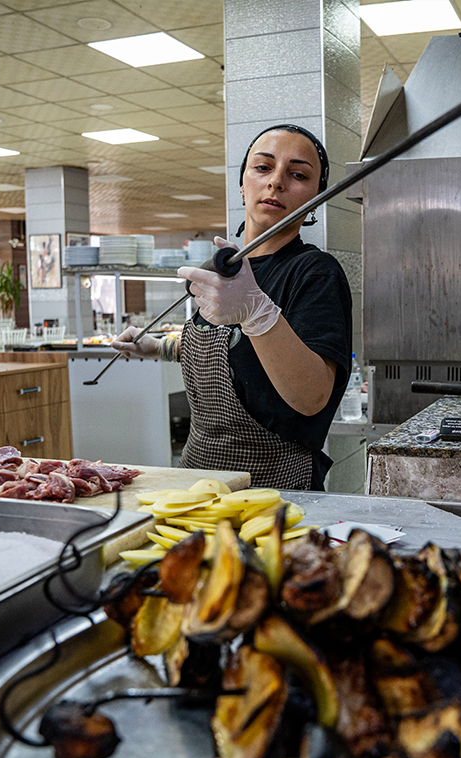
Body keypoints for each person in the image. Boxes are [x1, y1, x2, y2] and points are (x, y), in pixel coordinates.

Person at [112, 125, 352, 490]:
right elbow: (232, 352)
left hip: (273, 485)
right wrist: (157, 347)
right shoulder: (223, 270)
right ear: (242, 184)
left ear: (316, 198)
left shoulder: (315, 273)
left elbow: (312, 397)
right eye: (262, 168)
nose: (276, 182)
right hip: (197, 475)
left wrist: (258, 314)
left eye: (298, 174)